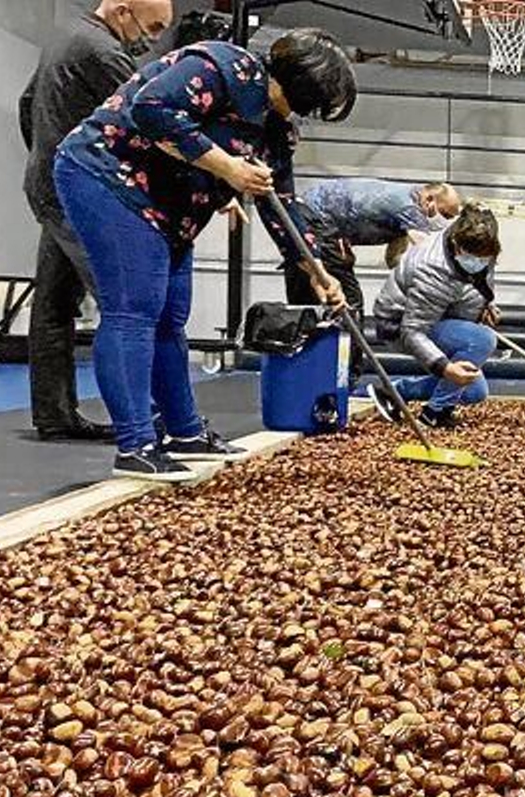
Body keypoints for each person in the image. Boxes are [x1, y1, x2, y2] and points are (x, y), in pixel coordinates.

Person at [53, 29, 356, 482]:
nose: (306, 116)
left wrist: (314, 269)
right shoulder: (222, 68)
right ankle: (135, 445)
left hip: (169, 206)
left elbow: (282, 203)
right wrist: (227, 167)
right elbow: (151, 108)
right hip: (109, 176)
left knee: (171, 315)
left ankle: (185, 433)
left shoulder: (276, 130)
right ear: (300, 86)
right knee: (134, 310)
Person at [19, 0, 173, 442]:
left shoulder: (64, 38)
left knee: (53, 304)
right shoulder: (105, 53)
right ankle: (140, 419)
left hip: (47, 184)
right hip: (79, 194)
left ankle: (54, 415)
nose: (153, 39)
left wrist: (46, 157)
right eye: (153, 27)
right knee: (125, 303)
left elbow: (27, 103)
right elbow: (148, 123)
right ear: (123, 12)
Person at [366, 204, 502, 430]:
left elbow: (476, 282)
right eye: (473, 257)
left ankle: (393, 392)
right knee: (482, 339)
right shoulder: (432, 268)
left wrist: (485, 305)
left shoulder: (481, 243)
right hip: (399, 323)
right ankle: (434, 414)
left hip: (440, 314)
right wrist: (446, 369)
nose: (479, 262)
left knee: (474, 391)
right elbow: (413, 332)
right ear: (456, 246)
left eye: (484, 258)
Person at [284, 178, 463, 320]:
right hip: (317, 221)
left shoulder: (405, 207)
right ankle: (348, 348)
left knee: (306, 293)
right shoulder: (410, 207)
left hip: (308, 217)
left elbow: (394, 259)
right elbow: (428, 254)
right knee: (348, 299)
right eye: (445, 214)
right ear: (429, 200)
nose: (444, 222)